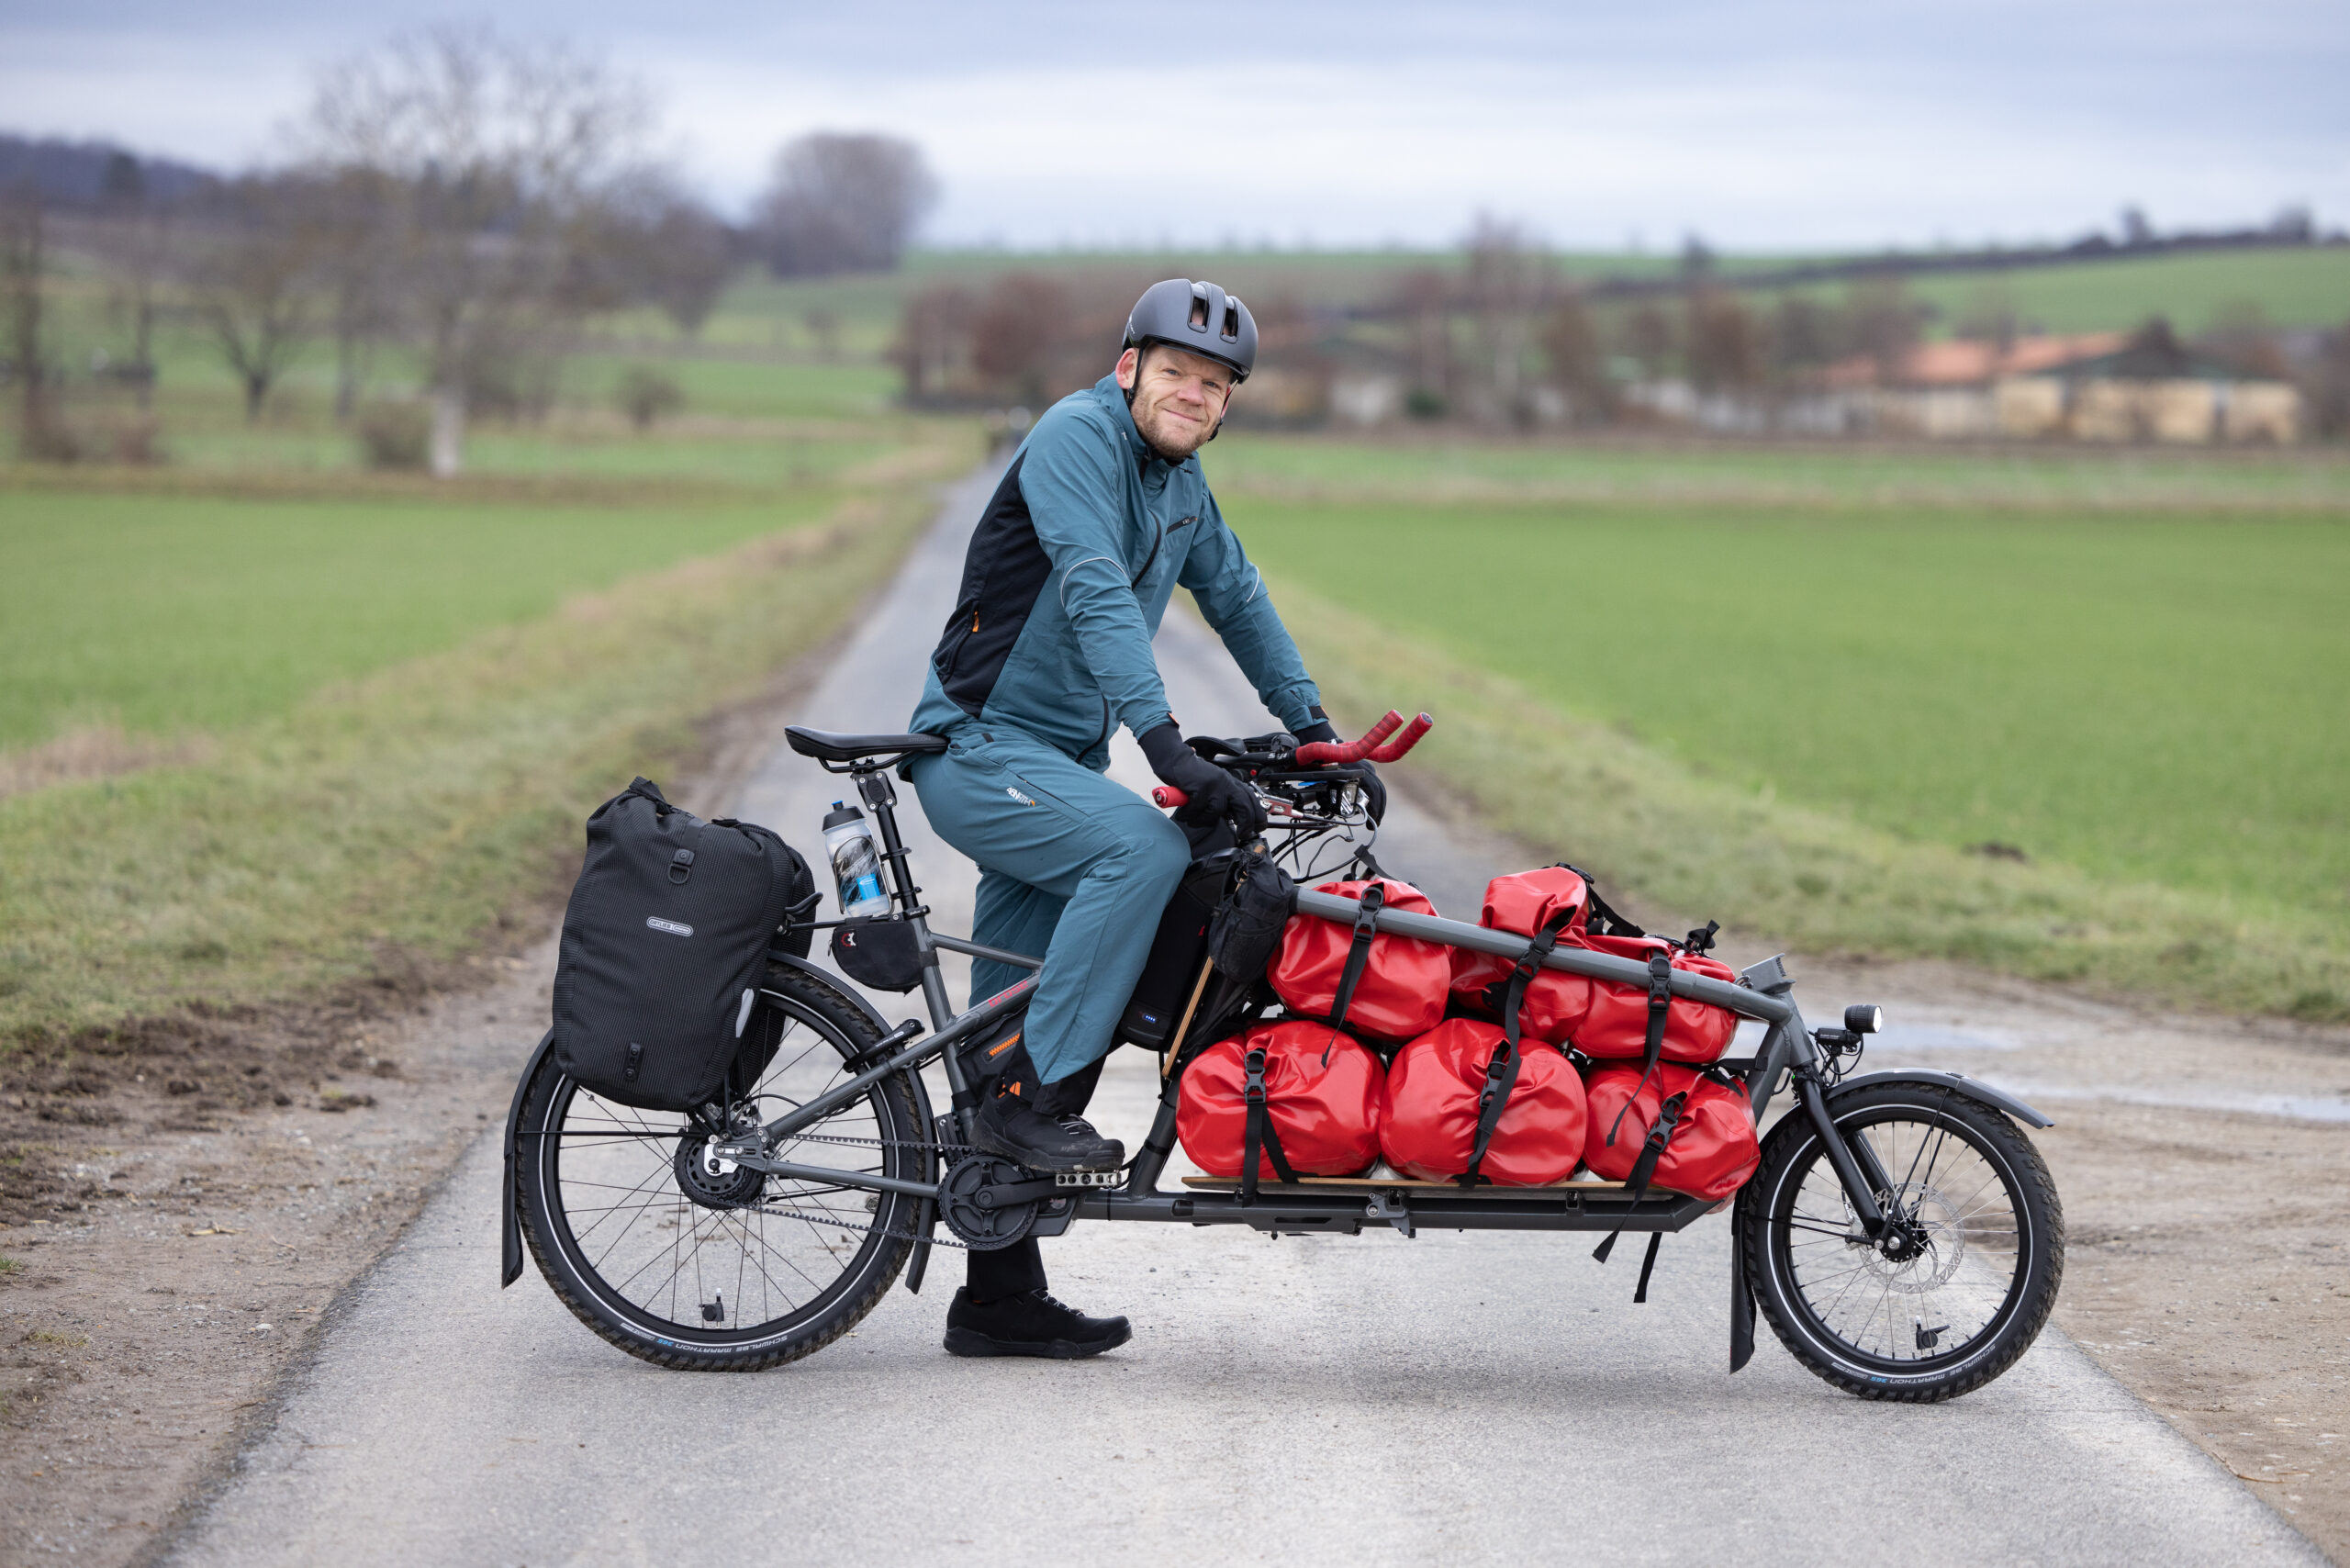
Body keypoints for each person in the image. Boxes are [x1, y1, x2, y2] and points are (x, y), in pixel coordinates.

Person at [905, 278, 1382, 1360]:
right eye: (1173, 371)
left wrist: (1314, 731)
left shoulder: (1181, 483)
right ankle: (1040, 1102)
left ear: (1224, 407)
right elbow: (1090, 585)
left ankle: (995, 1297)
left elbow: (1238, 595)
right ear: (1128, 369)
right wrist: (1162, 741)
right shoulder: (1076, 439)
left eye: (1212, 385)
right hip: (977, 752)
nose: (1191, 394)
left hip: (1052, 762)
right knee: (1145, 843)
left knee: (1000, 1022)